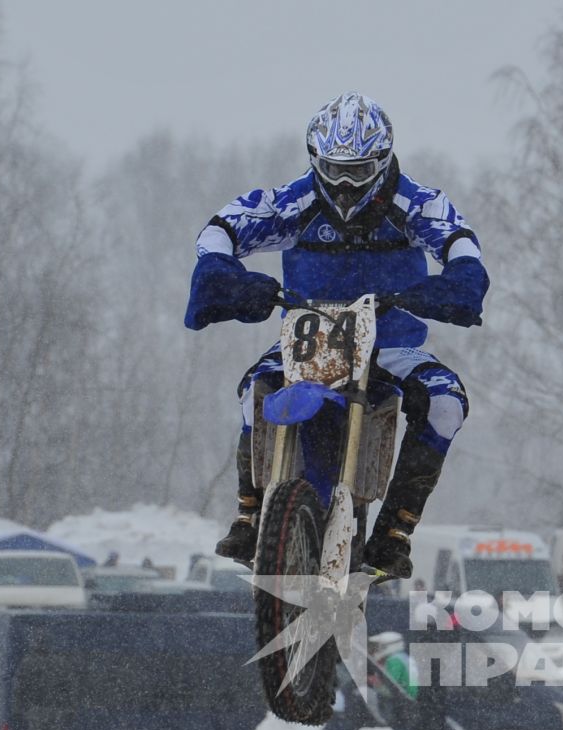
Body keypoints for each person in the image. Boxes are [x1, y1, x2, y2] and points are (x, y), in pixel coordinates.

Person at [185, 93, 489, 577]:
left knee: (446, 401)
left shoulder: (418, 204)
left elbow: (461, 244)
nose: (345, 184)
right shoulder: (295, 201)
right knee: (253, 391)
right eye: (334, 168)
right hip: (310, 338)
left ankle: (396, 530)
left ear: (384, 161)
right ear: (315, 160)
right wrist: (228, 275)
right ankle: (248, 512)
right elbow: (219, 229)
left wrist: (455, 281)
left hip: (391, 344)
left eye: (360, 169)